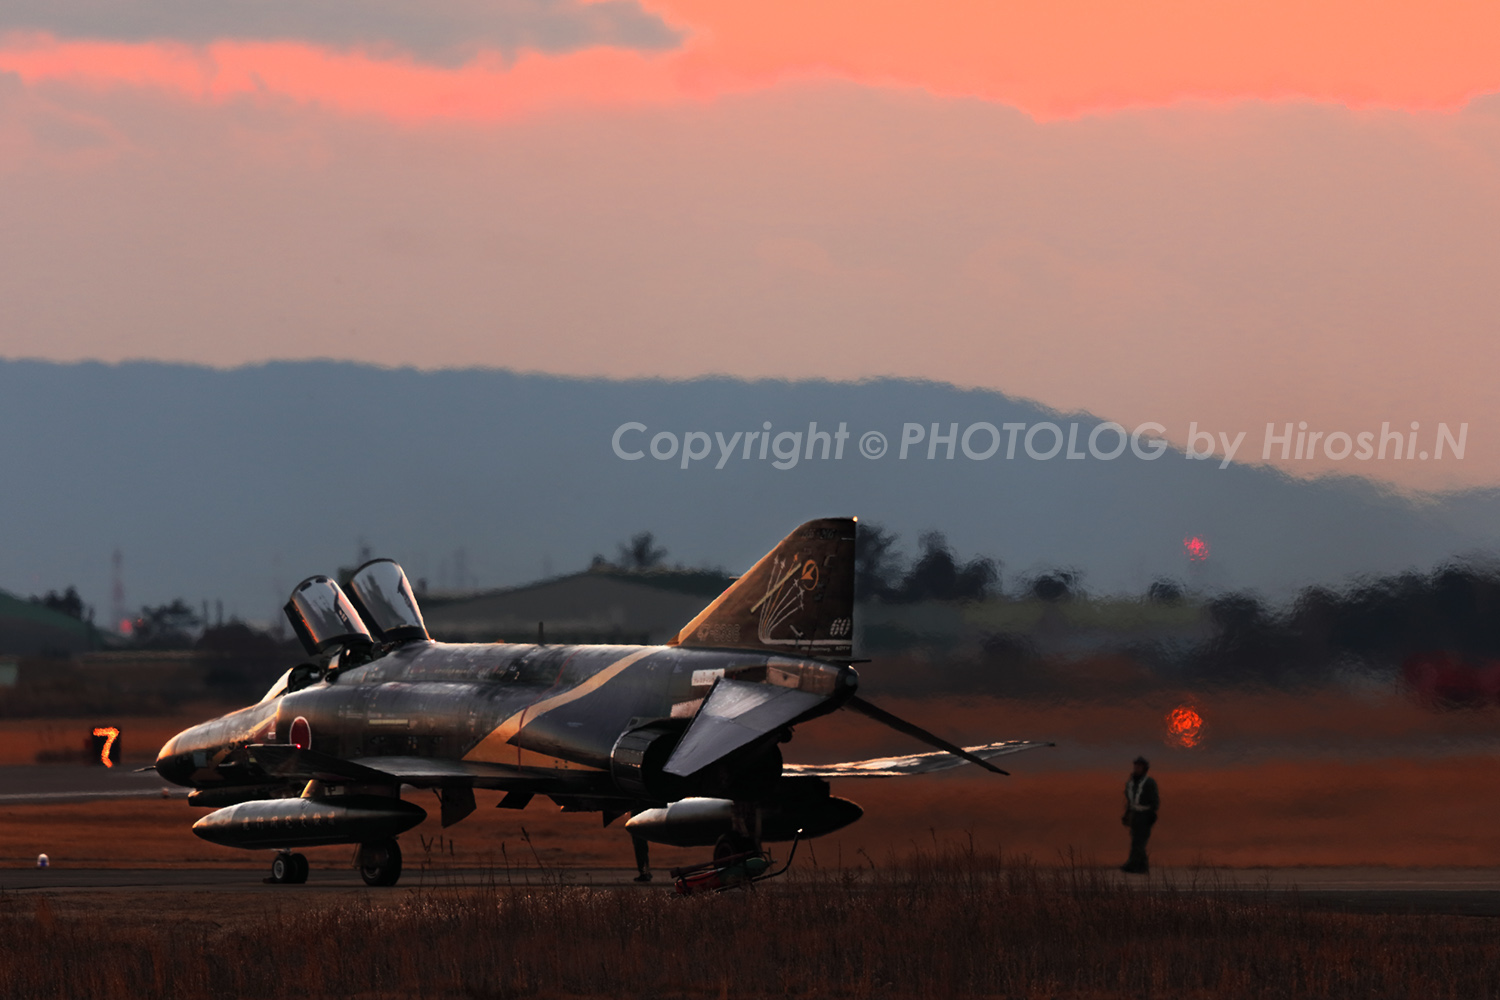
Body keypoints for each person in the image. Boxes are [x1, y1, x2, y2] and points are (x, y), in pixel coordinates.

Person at [1121, 756, 1159, 874]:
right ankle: (1142, 867)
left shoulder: (1149, 783)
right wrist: (1127, 814)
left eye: (1139, 766)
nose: (1137, 768)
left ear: (1144, 768)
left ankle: (1132, 864)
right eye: (1136, 766)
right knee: (1135, 839)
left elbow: (1154, 800)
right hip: (1134, 814)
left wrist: (1151, 814)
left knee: (1139, 841)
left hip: (1145, 814)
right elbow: (1129, 800)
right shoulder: (1130, 783)